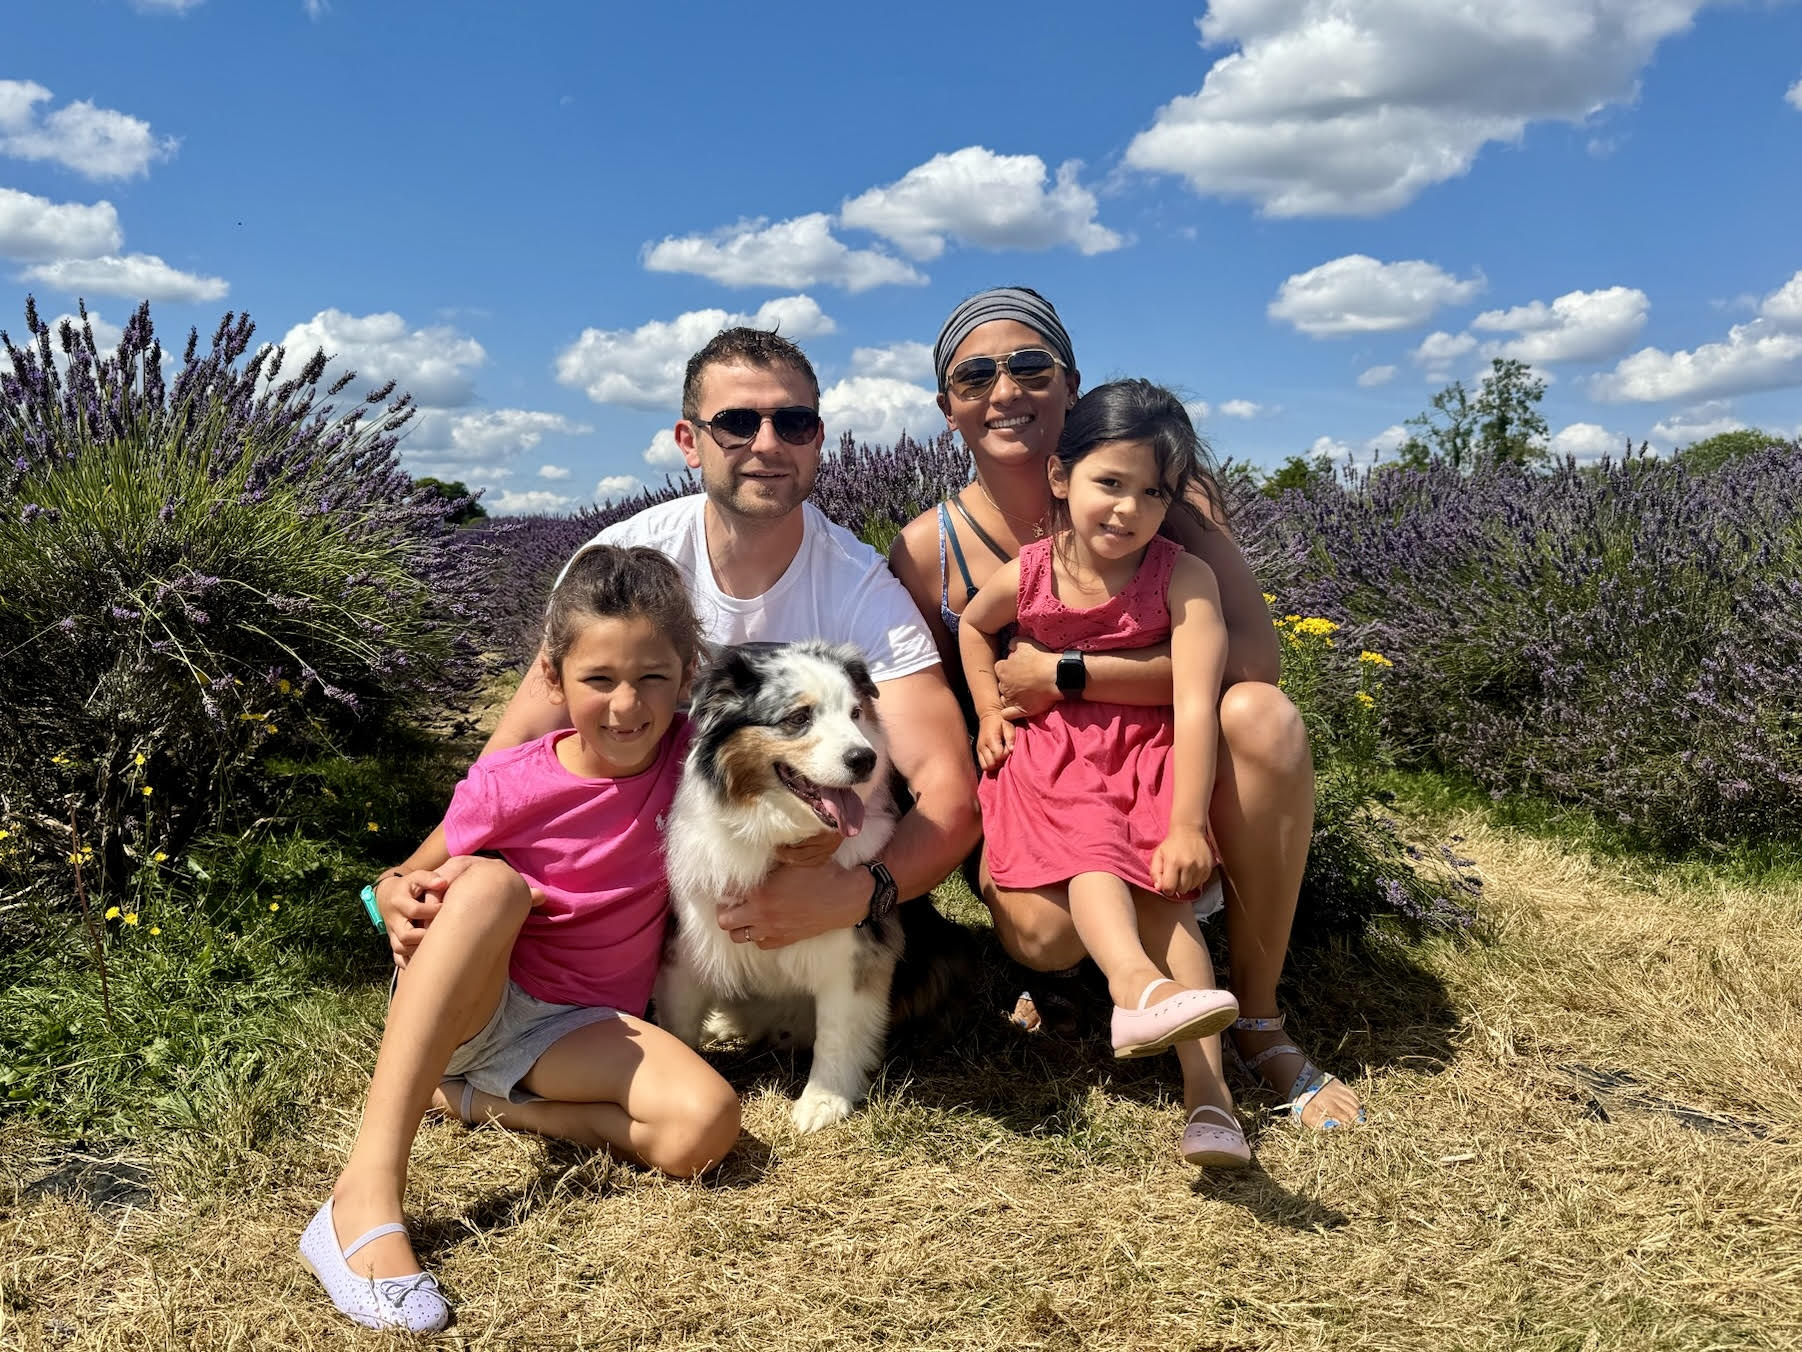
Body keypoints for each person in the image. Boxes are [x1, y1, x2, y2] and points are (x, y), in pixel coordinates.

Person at [888, 287, 1363, 1132]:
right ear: (948, 408)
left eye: (1031, 367)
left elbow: (1247, 665)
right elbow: (914, 707)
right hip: (1037, 789)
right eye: (976, 375)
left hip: (1157, 766)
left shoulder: (1170, 507)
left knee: (1263, 717)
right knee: (1045, 936)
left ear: (1070, 386)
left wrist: (1070, 673)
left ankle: (1256, 1018)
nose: (1006, 390)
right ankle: (1069, 979)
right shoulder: (932, 549)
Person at [376, 329, 976, 976]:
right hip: (649, 841)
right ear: (689, 442)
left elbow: (949, 792)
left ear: (819, 439)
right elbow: (522, 744)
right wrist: (411, 873)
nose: (768, 444)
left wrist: (854, 895)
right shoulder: (627, 563)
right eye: (737, 423)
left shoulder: (859, 589)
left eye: (793, 423)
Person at [302, 546, 741, 1332]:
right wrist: (389, 899)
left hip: (576, 1027)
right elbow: (403, 875)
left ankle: (470, 1100)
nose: (626, 707)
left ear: (688, 672)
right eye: (598, 679)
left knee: (703, 1129)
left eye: (652, 678)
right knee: (493, 884)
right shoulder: (511, 782)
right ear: (553, 677)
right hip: (481, 1000)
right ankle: (361, 1196)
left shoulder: (692, 756)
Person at [960, 379, 1249, 1166]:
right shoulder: (1030, 570)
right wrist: (989, 709)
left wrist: (1189, 823)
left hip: (1146, 757)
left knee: (1166, 893)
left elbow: (1195, 702)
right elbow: (973, 630)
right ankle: (1133, 988)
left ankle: (1211, 1100)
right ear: (1062, 477)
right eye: (1109, 483)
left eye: (1151, 493)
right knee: (1092, 840)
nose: (1126, 509)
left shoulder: (1181, 576)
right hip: (1050, 758)